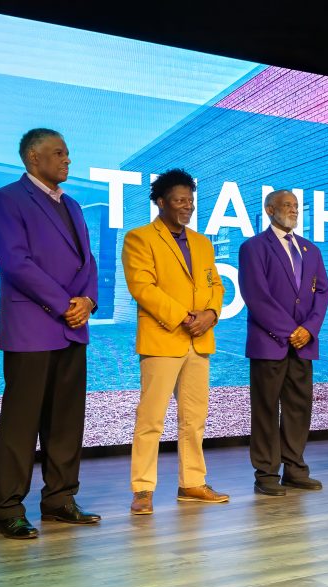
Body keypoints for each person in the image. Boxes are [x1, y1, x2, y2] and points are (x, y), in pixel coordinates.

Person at [0, 128, 101, 539]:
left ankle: (60, 499)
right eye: (58, 153)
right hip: (32, 327)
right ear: (33, 158)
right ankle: (8, 509)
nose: (67, 159)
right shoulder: (7, 199)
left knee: (66, 421)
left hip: (73, 328)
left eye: (67, 153)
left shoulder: (73, 205)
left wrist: (87, 301)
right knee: (21, 423)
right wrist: (64, 303)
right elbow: (16, 263)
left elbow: (88, 261)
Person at [122, 169, 228, 514]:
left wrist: (211, 313)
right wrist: (185, 317)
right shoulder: (139, 238)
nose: (188, 206)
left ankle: (192, 482)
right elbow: (143, 288)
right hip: (163, 337)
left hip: (199, 340)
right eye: (180, 200)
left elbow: (215, 285)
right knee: (150, 419)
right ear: (160, 202)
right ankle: (143, 488)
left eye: (191, 201)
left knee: (194, 418)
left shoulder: (202, 243)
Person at [238, 190, 328, 496]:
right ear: (269, 209)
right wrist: (290, 331)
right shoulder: (253, 247)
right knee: (265, 409)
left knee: (298, 408)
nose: (294, 210)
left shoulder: (310, 250)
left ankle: (295, 469)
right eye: (287, 205)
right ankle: (266, 474)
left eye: (296, 206)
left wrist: (309, 329)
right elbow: (256, 295)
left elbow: (322, 293)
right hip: (269, 342)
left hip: (304, 344)